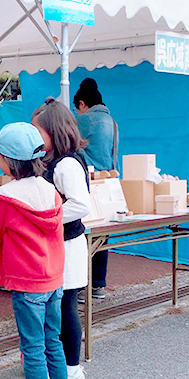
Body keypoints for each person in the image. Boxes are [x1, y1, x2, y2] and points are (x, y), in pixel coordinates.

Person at [0, 122, 72, 379]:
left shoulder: (5, 198)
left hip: (27, 282)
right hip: (53, 278)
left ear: (7, 160)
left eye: (0, 156)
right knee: (51, 340)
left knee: (31, 346)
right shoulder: (52, 192)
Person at [32, 98, 92, 379]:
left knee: (65, 306)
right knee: (60, 306)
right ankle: (61, 366)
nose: (35, 137)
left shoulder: (66, 164)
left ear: (54, 132)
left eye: (38, 132)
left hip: (67, 245)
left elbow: (81, 205)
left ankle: (71, 368)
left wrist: (46, 218)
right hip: (63, 244)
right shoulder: (57, 161)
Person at [74, 78, 117, 299]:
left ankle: (80, 286)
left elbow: (68, 141)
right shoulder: (109, 119)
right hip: (107, 180)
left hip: (88, 181)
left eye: (76, 108)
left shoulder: (86, 120)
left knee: (84, 234)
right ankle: (98, 284)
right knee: (102, 235)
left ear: (82, 103)